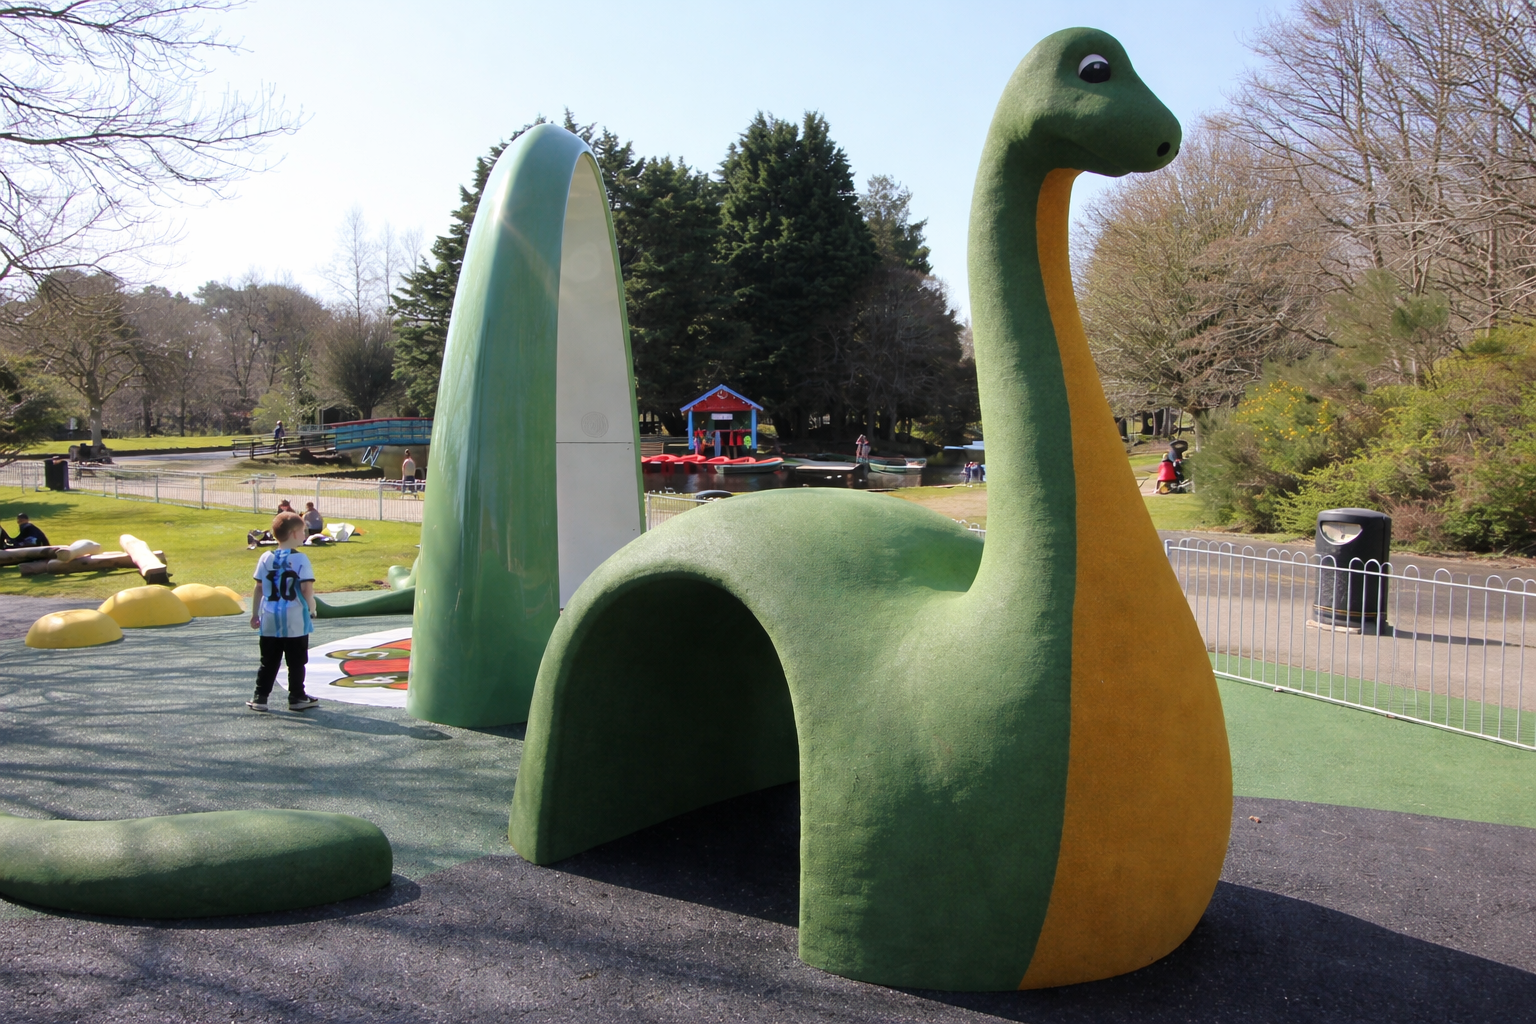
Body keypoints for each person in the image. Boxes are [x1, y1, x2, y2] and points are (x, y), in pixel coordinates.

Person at [247, 511, 320, 712]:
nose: (305, 535)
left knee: (268, 660)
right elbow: (306, 589)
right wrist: (312, 609)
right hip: (295, 618)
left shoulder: (265, 557)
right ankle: (296, 696)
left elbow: (259, 587)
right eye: (303, 531)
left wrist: (254, 614)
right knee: (296, 660)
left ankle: (260, 697)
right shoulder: (301, 559)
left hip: (270, 618)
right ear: (295, 533)